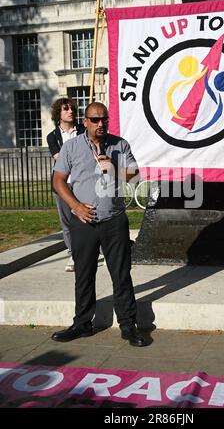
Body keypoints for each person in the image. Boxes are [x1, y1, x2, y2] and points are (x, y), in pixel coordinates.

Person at [51, 102, 147, 347]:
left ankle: (128, 325)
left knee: (121, 274)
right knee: (84, 274)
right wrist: (75, 206)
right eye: (95, 120)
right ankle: (82, 324)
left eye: (104, 119)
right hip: (84, 220)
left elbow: (135, 175)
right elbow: (58, 181)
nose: (100, 124)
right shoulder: (71, 147)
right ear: (85, 122)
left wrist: (113, 169)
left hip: (114, 219)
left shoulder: (120, 144)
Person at [47, 98, 85, 272]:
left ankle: (96, 249)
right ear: (58, 114)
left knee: (86, 218)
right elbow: (60, 159)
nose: (70, 111)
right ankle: (73, 253)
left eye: (71, 109)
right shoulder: (52, 136)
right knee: (67, 221)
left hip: (81, 182)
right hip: (62, 184)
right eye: (65, 109)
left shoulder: (84, 131)